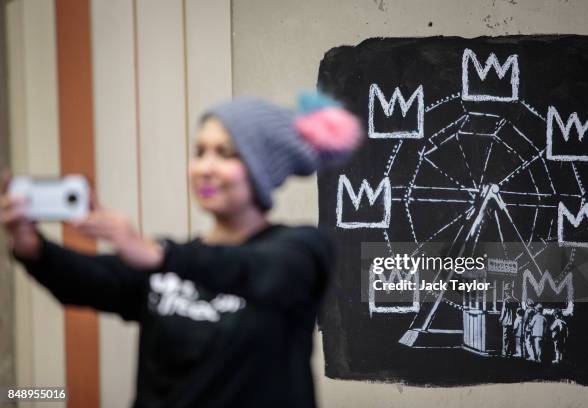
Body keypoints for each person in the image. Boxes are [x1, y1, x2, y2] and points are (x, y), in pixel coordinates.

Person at [1, 94, 362, 407]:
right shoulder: (175, 261)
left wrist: (160, 255)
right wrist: (31, 246)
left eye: (225, 153)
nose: (204, 168)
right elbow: (88, 281)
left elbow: (260, 272)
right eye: (199, 151)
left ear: (261, 168)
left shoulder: (302, 250)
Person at [499, 282, 519, 357]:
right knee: (512, 337)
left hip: (506, 322)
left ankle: (505, 352)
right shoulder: (516, 300)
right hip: (514, 321)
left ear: (507, 291)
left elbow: (503, 312)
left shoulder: (506, 301)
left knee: (505, 337)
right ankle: (511, 351)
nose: (506, 292)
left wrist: (500, 319)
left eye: (506, 291)